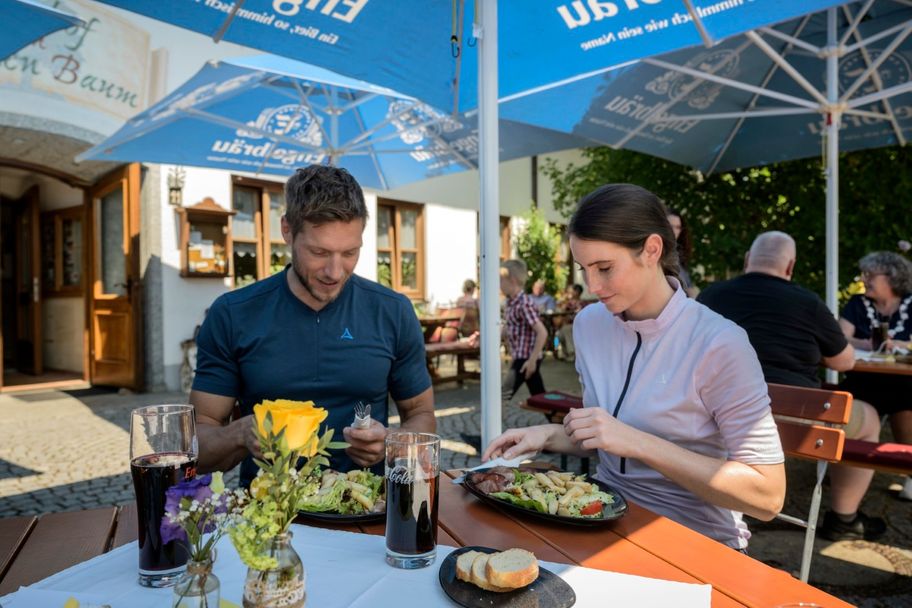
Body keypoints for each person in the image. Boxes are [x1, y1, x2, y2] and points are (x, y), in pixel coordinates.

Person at [484, 184, 785, 551]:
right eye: (584, 269)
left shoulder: (719, 343)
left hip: (695, 539)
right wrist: (546, 436)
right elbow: (608, 439)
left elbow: (767, 495)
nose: (592, 285)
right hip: (600, 520)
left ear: (652, 250)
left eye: (605, 268)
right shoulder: (589, 325)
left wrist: (638, 442)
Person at [190, 165, 436, 488]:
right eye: (319, 252)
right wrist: (241, 434)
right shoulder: (233, 314)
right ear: (287, 231)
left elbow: (422, 415)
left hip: (367, 509)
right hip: (269, 515)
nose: (335, 271)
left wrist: (391, 442)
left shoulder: (393, 311)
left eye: (350, 252)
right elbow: (197, 446)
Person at [699, 231, 885, 541]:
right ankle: (844, 518)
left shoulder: (710, 295)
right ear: (790, 266)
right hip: (793, 424)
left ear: (747, 261)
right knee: (870, 419)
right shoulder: (808, 302)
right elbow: (843, 362)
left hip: (716, 416)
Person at [839, 251, 912, 500]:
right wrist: (868, 343)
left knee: (906, 407)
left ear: (892, 278)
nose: (864, 279)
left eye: (870, 275)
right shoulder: (857, 304)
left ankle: (909, 473)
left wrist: (900, 346)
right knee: (847, 403)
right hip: (863, 380)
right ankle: (846, 470)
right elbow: (840, 337)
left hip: (905, 382)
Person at [500, 259, 548, 401]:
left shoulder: (524, 303)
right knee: (540, 398)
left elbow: (542, 332)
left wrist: (532, 360)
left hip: (525, 359)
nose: (499, 285)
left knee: (502, 395)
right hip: (521, 357)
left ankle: (493, 423)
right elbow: (508, 328)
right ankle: (558, 420)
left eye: (501, 281)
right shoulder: (510, 302)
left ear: (512, 281)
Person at [666, 208, 698, 298]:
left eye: (677, 227)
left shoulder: (679, 255)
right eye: (670, 226)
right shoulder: (654, 253)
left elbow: (689, 287)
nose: (674, 231)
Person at [555, 283, 584, 360]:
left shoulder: (581, 303)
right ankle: (562, 353)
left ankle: (572, 353)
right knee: (557, 335)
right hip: (567, 325)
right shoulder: (568, 302)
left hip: (577, 325)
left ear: (577, 292)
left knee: (566, 329)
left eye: (572, 291)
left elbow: (579, 316)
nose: (570, 292)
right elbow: (560, 310)